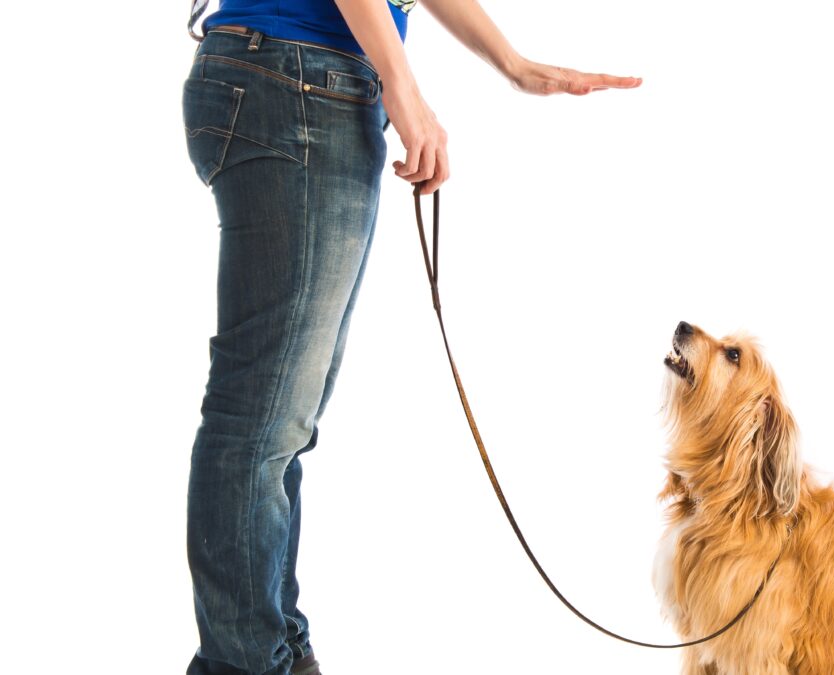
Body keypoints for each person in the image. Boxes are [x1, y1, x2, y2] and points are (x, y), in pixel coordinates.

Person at [181, 1, 641, 673]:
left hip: (308, 81)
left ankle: (275, 647)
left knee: (281, 423)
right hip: (293, 77)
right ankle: (245, 663)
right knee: (260, 421)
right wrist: (403, 85)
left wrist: (511, 63)